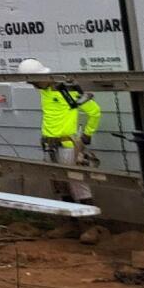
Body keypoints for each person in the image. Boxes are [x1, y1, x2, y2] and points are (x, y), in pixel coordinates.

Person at [26, 59, 106, 238]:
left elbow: (95, 112)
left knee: (77, 184)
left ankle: (89, 227)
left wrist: (87, 134)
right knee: (59, 185)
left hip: (68, 145)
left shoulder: (67, 91)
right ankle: (70, 224)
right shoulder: (45, 91)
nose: (33, 86)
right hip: (50, 145)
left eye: (34, 82)